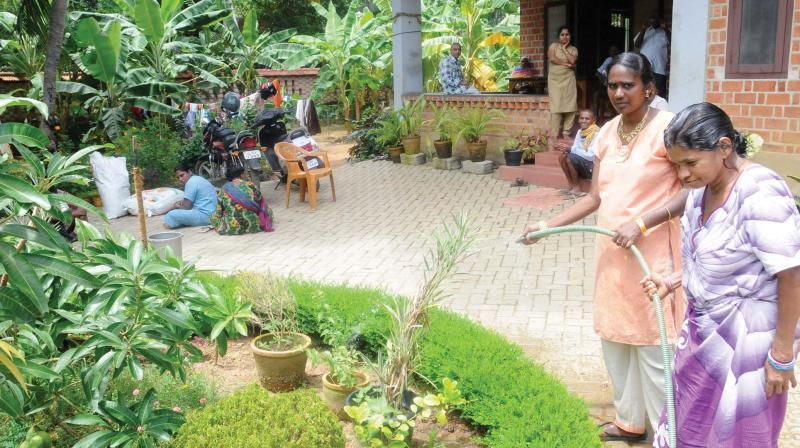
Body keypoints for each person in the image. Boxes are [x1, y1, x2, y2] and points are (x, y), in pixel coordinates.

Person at [522, 52, 689, 442]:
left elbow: (688, 193)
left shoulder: (668, 129)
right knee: (615, 342)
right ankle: (630, 422)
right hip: (612, 256)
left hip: (652, 258)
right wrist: (547, 226)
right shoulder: (607, 132)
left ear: (649, 88)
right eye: (612, 85)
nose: (618, 92)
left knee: (653, 346)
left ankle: (667, 433)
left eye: (628, 85)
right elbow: (594, 197)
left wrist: (643, 222)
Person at [641, 103, 800, 448]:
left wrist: (782, 354)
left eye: (690, 163)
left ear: (725, 148)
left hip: (748, 346)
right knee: (689, 423)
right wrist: (673, 280)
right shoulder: (701, 191)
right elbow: (714, 259)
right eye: (676, 165)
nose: (682, 175)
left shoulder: (761, 193)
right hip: (701, 333)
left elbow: (791, 275)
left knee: (736, 433)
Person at [209, 164, 274, 235]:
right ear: (242, 175)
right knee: (268, 211)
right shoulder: (251, 185)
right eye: (245, 173)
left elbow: (218, 213)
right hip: (256, 224)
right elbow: (260, 203)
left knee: (212, 217)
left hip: (233, 227)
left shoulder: (224, 189)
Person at [555, 109, 600, 197]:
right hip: (582, 164)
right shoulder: (580, 132)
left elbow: (591, 156)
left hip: (592, 168)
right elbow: (575, 148)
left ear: (593, 120)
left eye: (587, 119)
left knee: (570, 157)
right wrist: (567, 149)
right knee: (563, 156)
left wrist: (571, 149)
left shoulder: (597, 134)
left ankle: (577, 188)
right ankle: (571, 185)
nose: (583, 121)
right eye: (581, 118)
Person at [163, 163, 217, 229]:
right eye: (178, 177)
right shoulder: (198, 179)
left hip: (206, 216)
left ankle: (173, 222)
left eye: (182, 175)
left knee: (171, 215)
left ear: (189, 172)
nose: (180, 179)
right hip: (214, 214)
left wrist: (176, 206)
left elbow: (186, 207)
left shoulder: (191, 182)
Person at [547, 26, 578, 140]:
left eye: (567, 34)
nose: (565, 37)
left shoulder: (573, 49)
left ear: (570, 36)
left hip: (568, 79)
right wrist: (565, 64)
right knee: (556, 106)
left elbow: (573, 60)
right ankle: (554, 135)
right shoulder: (553, 46)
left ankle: (566, 132)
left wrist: (565, 49)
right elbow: (552, 59)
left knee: (571, 105)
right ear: (558, 36)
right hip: (555, 80)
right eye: (562, 34)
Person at [634, 14, 670, 98]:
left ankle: (660, 109)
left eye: (656, 18)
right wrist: (643, 29)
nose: (653, 20)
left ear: (660, 20)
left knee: (659, 92)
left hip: (659, 68)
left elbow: (672, 42)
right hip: (645, 68)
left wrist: (665, 27)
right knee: (644, 91)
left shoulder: (665, 31)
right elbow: (637, 44)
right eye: (652, 18)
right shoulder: (645, 31)